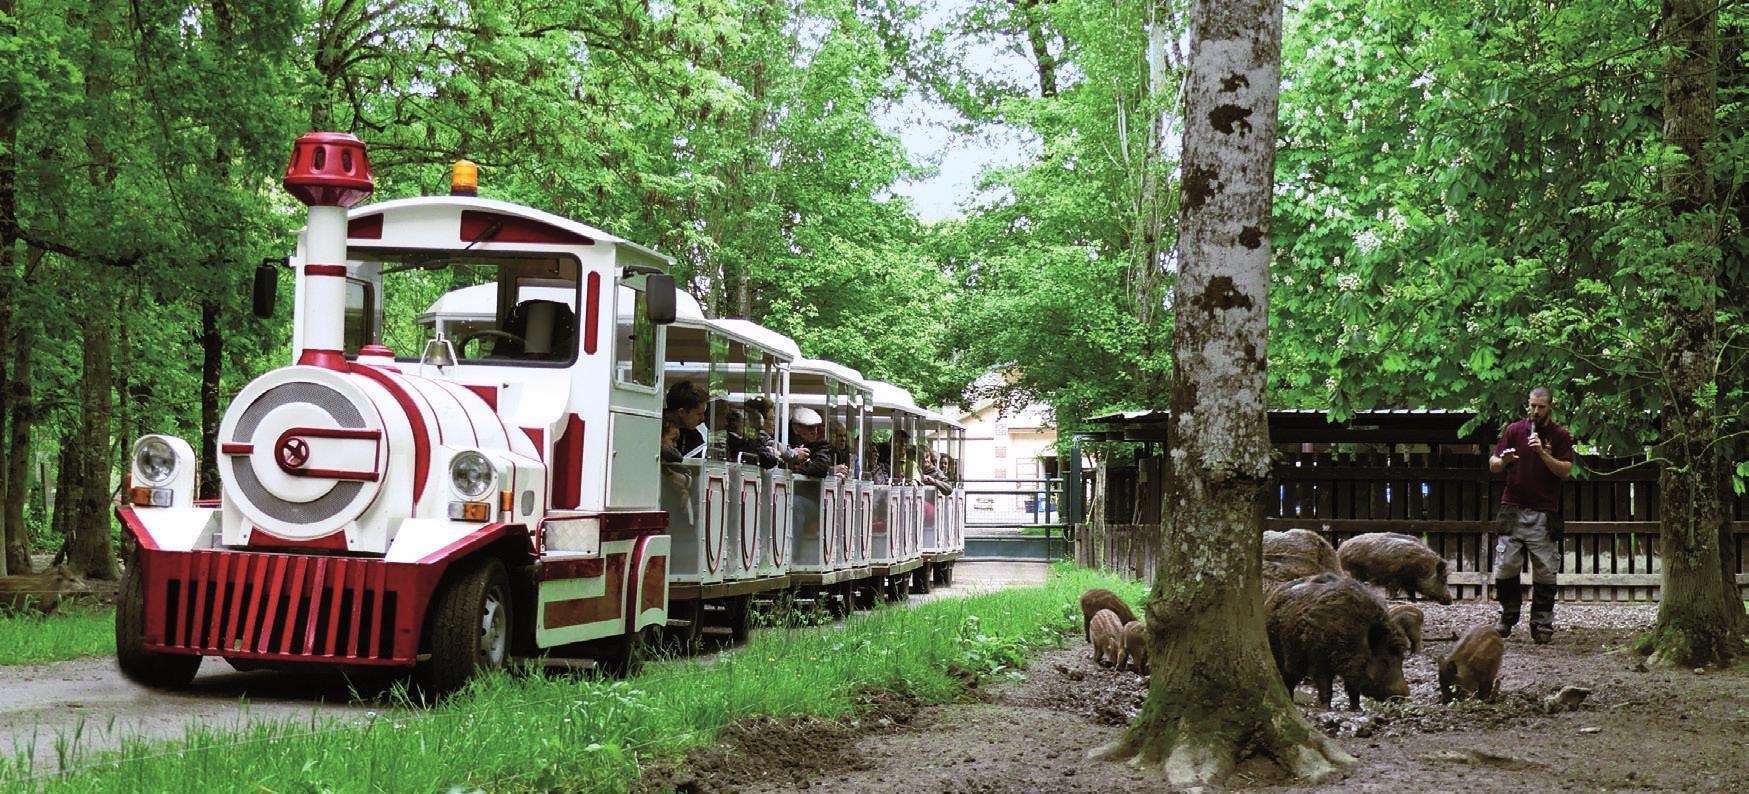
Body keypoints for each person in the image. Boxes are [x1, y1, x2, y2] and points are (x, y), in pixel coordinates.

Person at [1488, 386, 1575, 644]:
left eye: (1541, 407)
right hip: (1512, 509)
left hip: (1543, 512)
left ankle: (1541, 623)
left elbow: (1565, 470)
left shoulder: (1560, 436)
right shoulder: (1515, 430)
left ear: (1550, 407)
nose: (1535, 411)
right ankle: (1508, 616)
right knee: (1505, 567)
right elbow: (1493, 464)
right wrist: (1503, 461)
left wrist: (1542, 452)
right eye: (1532, 406)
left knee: (1546, 571)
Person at [786, 407, 843, 477]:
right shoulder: (785, 440)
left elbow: (821, 467)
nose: (814, 432)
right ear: (796, 428)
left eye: (816, 427)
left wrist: (796, 469)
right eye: (810, 427)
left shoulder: (820, 445)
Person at [665, 381, 708, 458]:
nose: (703, 418)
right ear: (681, 412)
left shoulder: (695, 436)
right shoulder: (656, 430)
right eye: (698, 414)